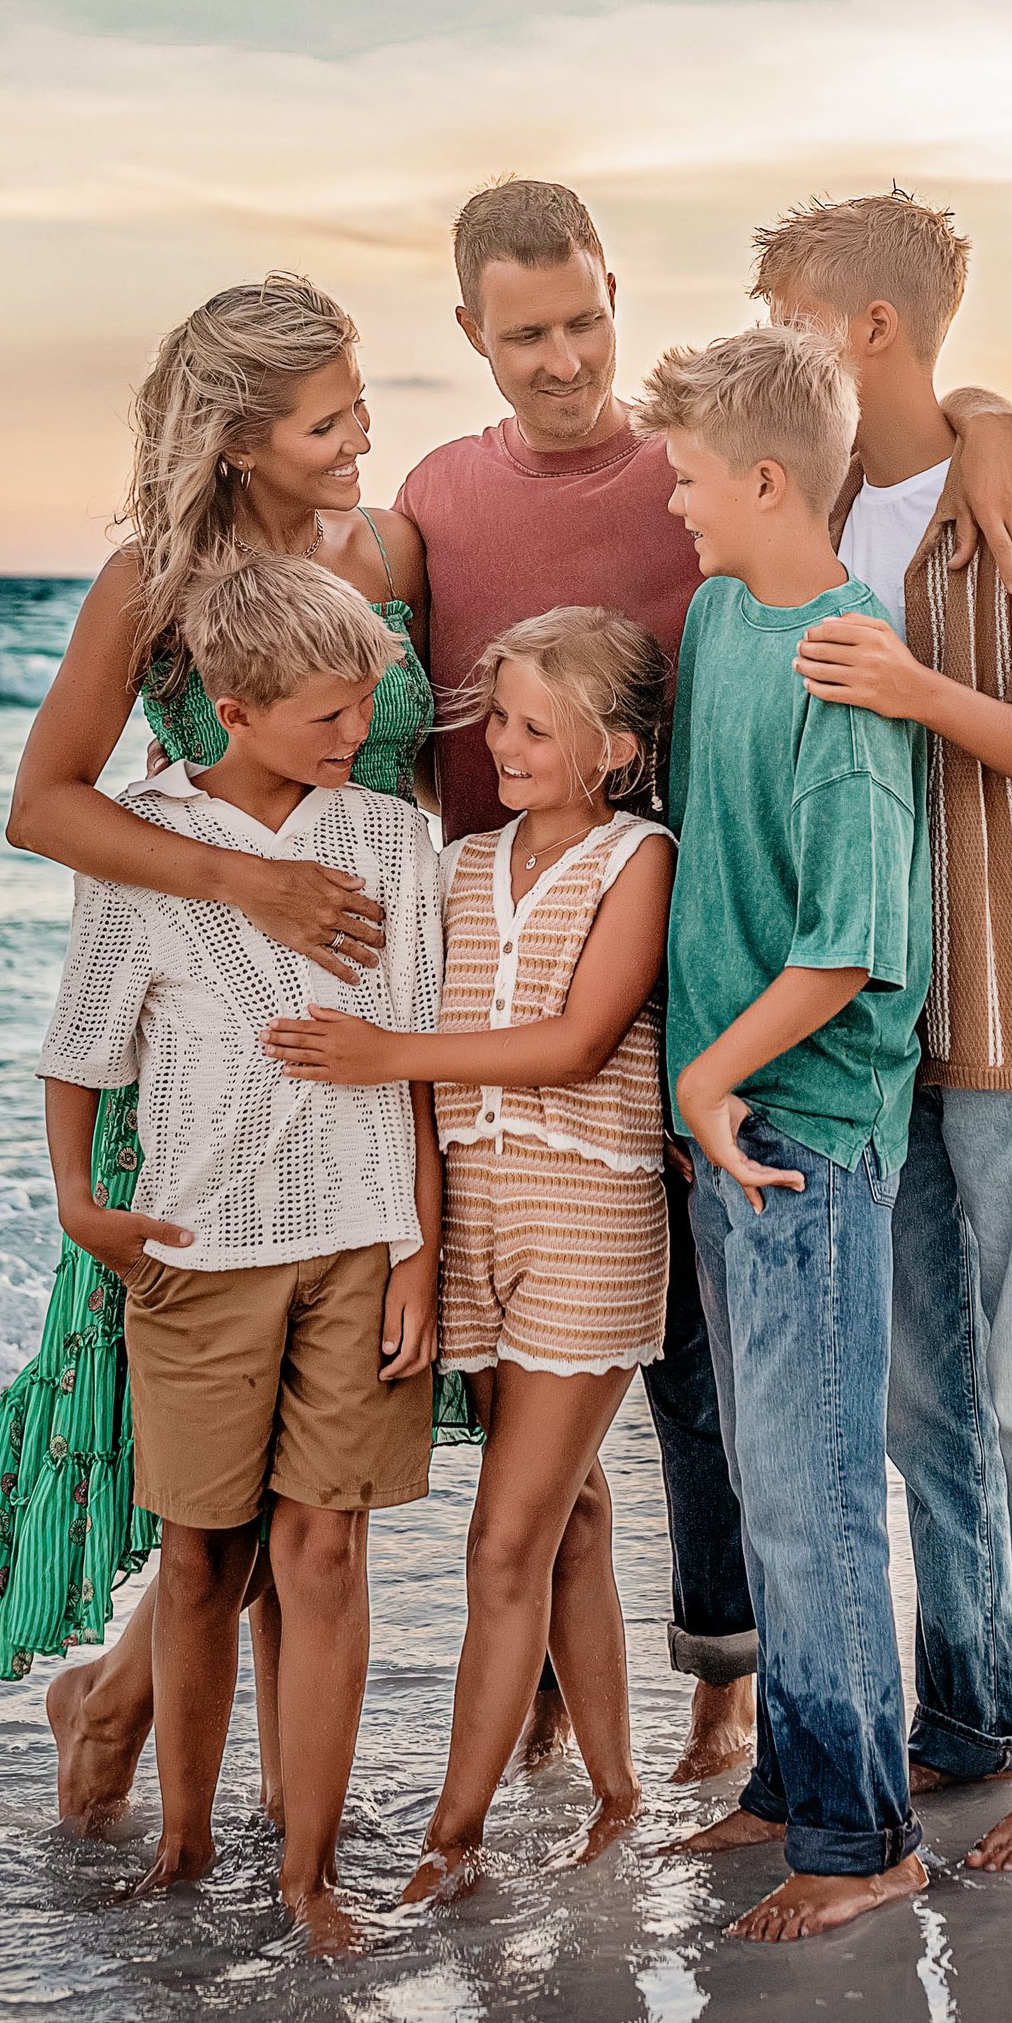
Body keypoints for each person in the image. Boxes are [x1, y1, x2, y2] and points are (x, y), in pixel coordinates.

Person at [397, 176, 1012, 1785]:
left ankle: (784, 1736)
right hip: (570, 955)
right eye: (525, 333)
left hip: (731, 1009)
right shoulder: (473, 508)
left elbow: (856, 424)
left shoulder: (737, 537)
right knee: (609, 1374)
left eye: (583, 318)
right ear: (473, 335)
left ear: (614, 291)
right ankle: (647, 1722)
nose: (563, 358)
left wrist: (990, 415)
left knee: (749, 1402)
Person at [0, 273, 440, 1843]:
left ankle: (284, 1827)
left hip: (372, 1052)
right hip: (215, 1053)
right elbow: (47, 802)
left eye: (360, 402)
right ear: (237, 437)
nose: (363, 435)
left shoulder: (390, 552)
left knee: (320, 1504)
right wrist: (250, 881)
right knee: (209, 1494)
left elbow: (422, 770)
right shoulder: (150, 581)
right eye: (328, 416)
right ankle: (124, 1729)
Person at [755, 188, 1012, 1868]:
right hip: (886, 1013)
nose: (770, 338)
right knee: (926, 1404)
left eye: (784, 314)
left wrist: (919, 684)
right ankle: (972, 1709)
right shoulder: (830, 501)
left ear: (870, 329)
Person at [31, 547, 444, 1954]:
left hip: (358, 1238)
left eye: (363, 708)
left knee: (324, 1552)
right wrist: (81, 1197)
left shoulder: (389, 839)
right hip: (200, 1250)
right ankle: (189, 1843)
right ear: (228, 698)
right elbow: (85, 1038)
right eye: (330, 713)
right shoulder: (143, 841)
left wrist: (419, 1251)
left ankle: (311, 1877)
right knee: (202, 1557)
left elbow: (416, 1071)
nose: (356, 737)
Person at [267, 608, 675, 1900]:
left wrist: (391, 1057)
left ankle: (452, 1839)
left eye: (535, 726)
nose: (502, 742)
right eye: (496, 716)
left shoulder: (642, 861)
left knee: (504, 1542)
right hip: (477, 1224)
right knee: (573, 1514)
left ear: (612, 748)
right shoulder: (460, 863)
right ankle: (617, 1789)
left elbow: (573, 1043)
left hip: (588, 1218)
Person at [640, 324, 933, 1944]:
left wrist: (703, 1080)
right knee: (762, 1477)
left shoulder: (842, 654)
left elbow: (849, 936)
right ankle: (790, 1783)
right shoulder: (711, 616)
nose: (671, 506)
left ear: (764, 479)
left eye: (688, 479)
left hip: (800, 1125)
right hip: (726, 1125)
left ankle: (864, 1836)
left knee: (818, 1488)